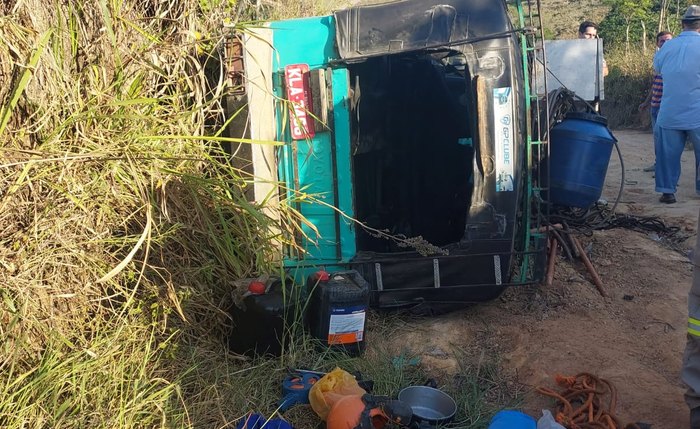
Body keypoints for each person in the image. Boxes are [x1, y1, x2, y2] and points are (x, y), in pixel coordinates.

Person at [652, 5, 700, 205]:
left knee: (667, 155)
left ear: (682, 24)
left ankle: (667, 191)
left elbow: (658, 72)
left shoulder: (667, 47)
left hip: (670, 111)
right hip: (697, 113)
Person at [638, 31, 674, 172]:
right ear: (657, 44)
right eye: (662, 41)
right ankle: (659, 164)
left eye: (668, 40)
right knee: (658, 139)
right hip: (655, 105)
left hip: (667, 106)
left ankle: (666, 170)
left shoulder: (676, 60)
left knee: (668, 140)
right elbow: (655, 84)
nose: (665, 44)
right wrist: (646, 102)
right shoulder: (657, 58)